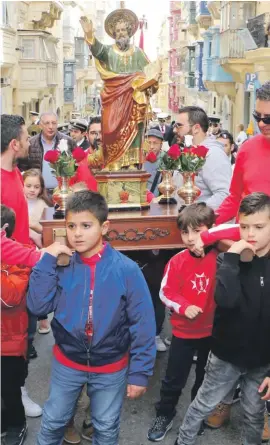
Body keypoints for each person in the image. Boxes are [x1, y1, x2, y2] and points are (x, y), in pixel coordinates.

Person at [27, 190, 156, 445]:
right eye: (71, 226)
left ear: (104, 227)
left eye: (86, 225)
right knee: (53, 421)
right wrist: (47, 260)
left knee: (106, 427)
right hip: (68, 362)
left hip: (110, 365)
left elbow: (143, 323)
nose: (77, 233)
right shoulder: (62, 266)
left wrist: (140, 373)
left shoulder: (126, 270)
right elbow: (38, 306)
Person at [175, 192, 270, 445]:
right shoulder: (227, 259)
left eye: (259, 227)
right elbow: (226, 300)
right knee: (203, 403)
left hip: (261, 360)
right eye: (244, 226)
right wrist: (232, 257)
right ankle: (184, 440)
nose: (250, 234)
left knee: (254, 412)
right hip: (226, 354)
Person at [147, 203, 237, 442]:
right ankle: (165, 413)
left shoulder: (222, 257)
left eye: (197, 231)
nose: (190, 238)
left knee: (203, 379)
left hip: (213, 332)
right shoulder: (177, 261)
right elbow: (165, 292)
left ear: (209, 230)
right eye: (185, 232)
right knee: (174, 378)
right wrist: (184, 307)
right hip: (184, 333)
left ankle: (195, 417)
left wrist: (210, 237)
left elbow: (240, 229)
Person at [1, 114, 42, 417]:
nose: (30, 141)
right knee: (12, 342)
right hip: (7, 278)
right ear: (14, 144)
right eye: (27, 137)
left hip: (23, 270)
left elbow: (19, 224)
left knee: (24, 337)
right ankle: (15, 395)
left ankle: (18, 389)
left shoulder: (16, 172)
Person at [80, 12, 158, 169]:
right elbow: (97, 49)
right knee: (109, 130)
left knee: (135, 128)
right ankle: (113, 161)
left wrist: (151, 80)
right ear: (114, 33)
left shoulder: (138, 53)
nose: (121, 33)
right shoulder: (108, 51)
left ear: (129, 32)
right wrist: (89, 34)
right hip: (113, 96)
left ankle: (131, 163)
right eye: (118, 30)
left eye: (124, 30)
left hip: (133, 98)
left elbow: (150, 71)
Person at [216, 81, 270, 224]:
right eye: (257, 116)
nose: (261, 124)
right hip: (244, 240)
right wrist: (209, 221)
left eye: (268, 118)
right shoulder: (247, 148)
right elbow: (235, 198)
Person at [1, 205, 32, 445]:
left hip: (8, 342)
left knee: (10, 390)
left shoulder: (19, 258)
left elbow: (10, 298)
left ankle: (17, 425)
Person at [173, 106, 231, 210]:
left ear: (196, 128)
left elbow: (224, 195)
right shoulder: (186, 152)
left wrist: (194, 211)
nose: (174, 130)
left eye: (179, 126)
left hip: (200, 223)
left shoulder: (213, 154)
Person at [23, 169, 52, 335]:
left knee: (37, 283)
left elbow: (46, 230)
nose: (32, 190)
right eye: (28, 186)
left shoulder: (44, 206)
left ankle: (42, 317)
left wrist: (32, 227)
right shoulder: (17, 201)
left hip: (38, 248)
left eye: (36, 186)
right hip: (21, 247)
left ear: (41, 189)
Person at [18, 111, 75, 193]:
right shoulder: (30, 143)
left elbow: (76, 167)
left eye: (54, 123)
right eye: (47, 123)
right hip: (38, 193)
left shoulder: (68, 141)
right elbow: (23, 169)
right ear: (40, 125)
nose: (51, 126)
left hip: (63, 192)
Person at [144, 129, 164, 197]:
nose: (151, 147)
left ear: (161, 144)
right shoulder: (139, 161)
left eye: (155, 143)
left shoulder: (165, 161)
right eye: (149, 143)